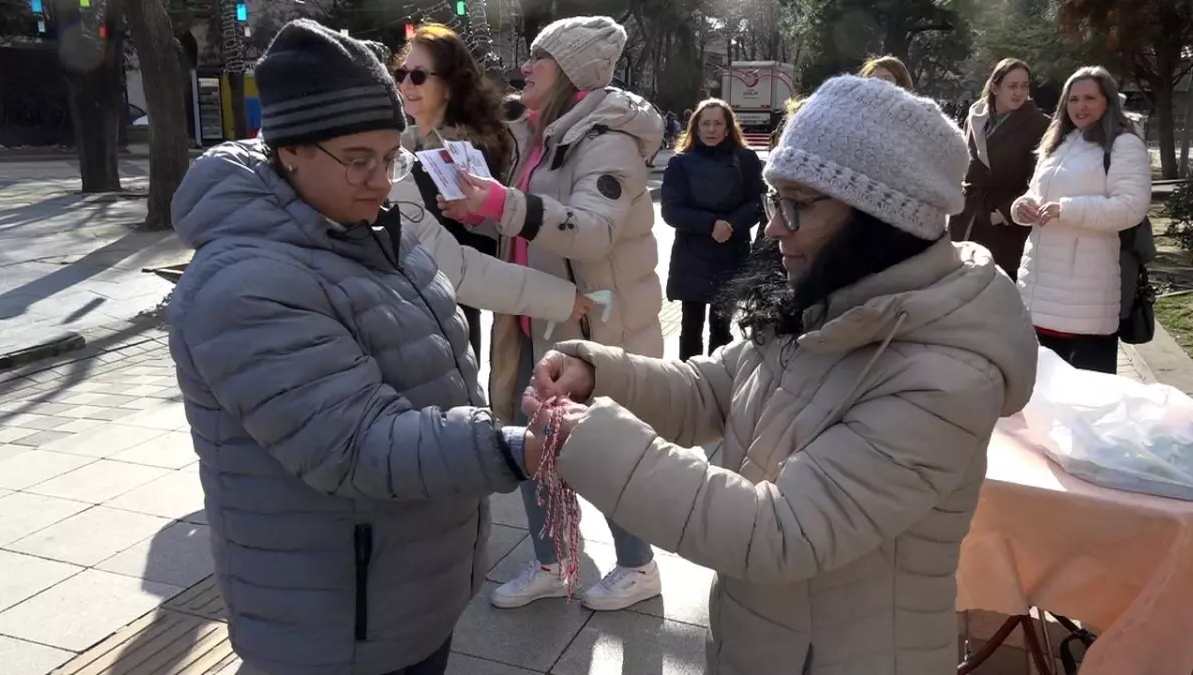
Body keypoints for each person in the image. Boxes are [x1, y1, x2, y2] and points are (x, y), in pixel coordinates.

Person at [523, 76, 1039, 674]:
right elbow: (712, 389)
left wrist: (589, 440)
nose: (773, 227)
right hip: (764, 642)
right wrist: (598, 374)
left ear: (882, 218)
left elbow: (782, 532)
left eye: (797, 203)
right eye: (774, 199)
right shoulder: (827, 297)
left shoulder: (946, 374)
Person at [166, 20, 547, 675]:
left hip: (404, 596)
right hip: (337, 626)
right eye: (357, 158)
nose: (379, 180)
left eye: (389, 155)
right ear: (288, 151)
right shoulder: (245, 283)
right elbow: (358, 441)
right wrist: (515, 446)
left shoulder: (373, 232)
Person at [439, 15, 666, 612]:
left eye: (539, 58)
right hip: (532, 316)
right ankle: (551, 562)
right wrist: (482, 213)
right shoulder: (542, 132)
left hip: (590, 327)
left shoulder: (608, 138)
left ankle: (639, 565)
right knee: (532, 442)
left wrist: (501, 202)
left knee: (598, 452)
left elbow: (590, 233)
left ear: (570, 70)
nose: (525, 68)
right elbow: (529, 219)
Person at [1012, 66, 1151, 374]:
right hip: (1039, 286)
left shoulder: (1123, 144)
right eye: (1073, 99)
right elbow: (1036, 192)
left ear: (1108, 101)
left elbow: (1131, 207)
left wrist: (1067, 209)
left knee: (1089, 397)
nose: (1080, 106)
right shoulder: (1059, 142)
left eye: (1090, 97)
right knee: (1041, 392)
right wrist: (1021, 207)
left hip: (1086, 296)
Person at [393, 23, 510, 362]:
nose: (405, 86)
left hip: (449, 310)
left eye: (418, 77)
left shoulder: (467, 151)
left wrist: (472, 214)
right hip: (399, 305)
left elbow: (489, 240)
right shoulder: (397, 143)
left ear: (448, 85)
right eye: (401, 74)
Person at [662, 98, 763, 360]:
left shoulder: (746, 159)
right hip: (691, 255)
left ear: (728, 128)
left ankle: (718, 384)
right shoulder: (680, 163)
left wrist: (731, 224)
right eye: (705, 123)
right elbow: (671, 211)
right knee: (690, 327)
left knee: (722, 327)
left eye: (717, 123)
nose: (711, 129)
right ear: (695, 127)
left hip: (731, 253)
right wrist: (710, 225)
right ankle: (687, 385)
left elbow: (757, 202)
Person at [948, 58, 1050, 280]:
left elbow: (1041, 180)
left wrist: (1003, 214)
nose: (1019, 92)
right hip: (967, 216)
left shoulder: (1039, 124)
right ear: (995, 87)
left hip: (1005, 224)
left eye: (1024, 85)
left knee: (997, 295)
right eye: (1012, 86)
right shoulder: (975, 118)